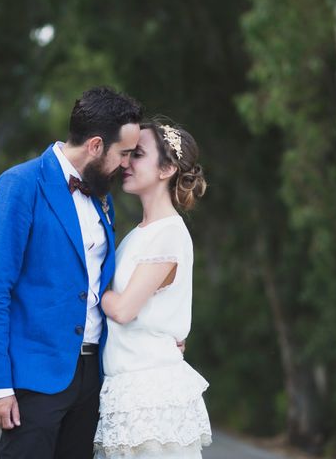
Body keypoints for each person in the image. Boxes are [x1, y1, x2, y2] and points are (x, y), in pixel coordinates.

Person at [0, 86, 142, 459]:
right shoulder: (19, 185)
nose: (126, 164)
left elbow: (103, 286)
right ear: (96, 145)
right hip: (34, 377)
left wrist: (159, 336)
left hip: (92, 376)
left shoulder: (101, 197)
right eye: (123, 153)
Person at [94, 121, 212, 458]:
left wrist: (84, 286)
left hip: (152, 398)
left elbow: (123, 309)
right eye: (127, 154)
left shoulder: (169, 233)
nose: (126, 163)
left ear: (167, 169)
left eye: (139, 155)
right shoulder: (138, 234)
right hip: (129, 388)